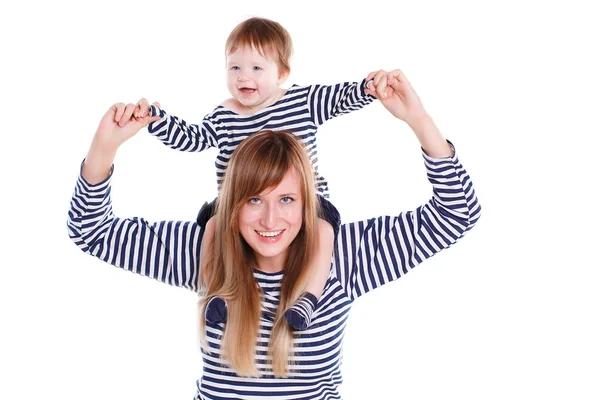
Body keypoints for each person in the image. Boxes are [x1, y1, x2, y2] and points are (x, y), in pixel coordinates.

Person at [67, 68, 481, 399]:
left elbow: (458, 213)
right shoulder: (204, 250)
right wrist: (104, 147)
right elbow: (90, 231)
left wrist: (419, 121)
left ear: (308, 203)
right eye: (253, 200)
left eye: (286, 200)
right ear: (232, 205)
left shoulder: (345, 255)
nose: (269, 220)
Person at [132, 16, 378, 331]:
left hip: (302, 203)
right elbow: (192, 138)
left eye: (257, 68)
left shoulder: (302, 101)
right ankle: (217, 294)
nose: (244, 77)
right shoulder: (225, 115)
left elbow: (341, 98)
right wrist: (156, 119)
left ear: (282, 73)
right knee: (212, 229)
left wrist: (368, 88)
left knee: (324, 234)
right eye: (235, 68)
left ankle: (308, 299)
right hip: (238, 203)